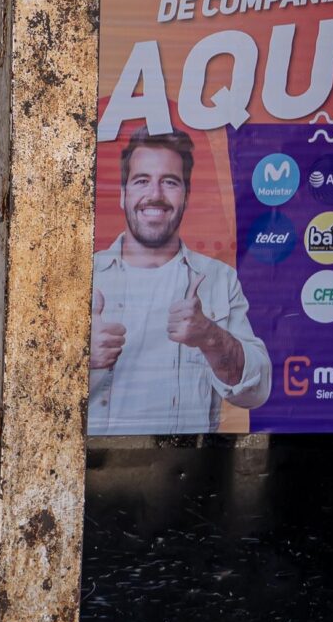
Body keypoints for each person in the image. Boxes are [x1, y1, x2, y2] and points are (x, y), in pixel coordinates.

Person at [87, 130, 272, 436]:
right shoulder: (81, 276)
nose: (155, 194)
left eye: (170, 182)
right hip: (93, 462)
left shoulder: (219, 279)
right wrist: (79, 355)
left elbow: (256, 391)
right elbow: (24, 387)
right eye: (141, 180)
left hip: (187, 463)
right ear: (122, 194)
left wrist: (210, 337)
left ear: (186, 195)